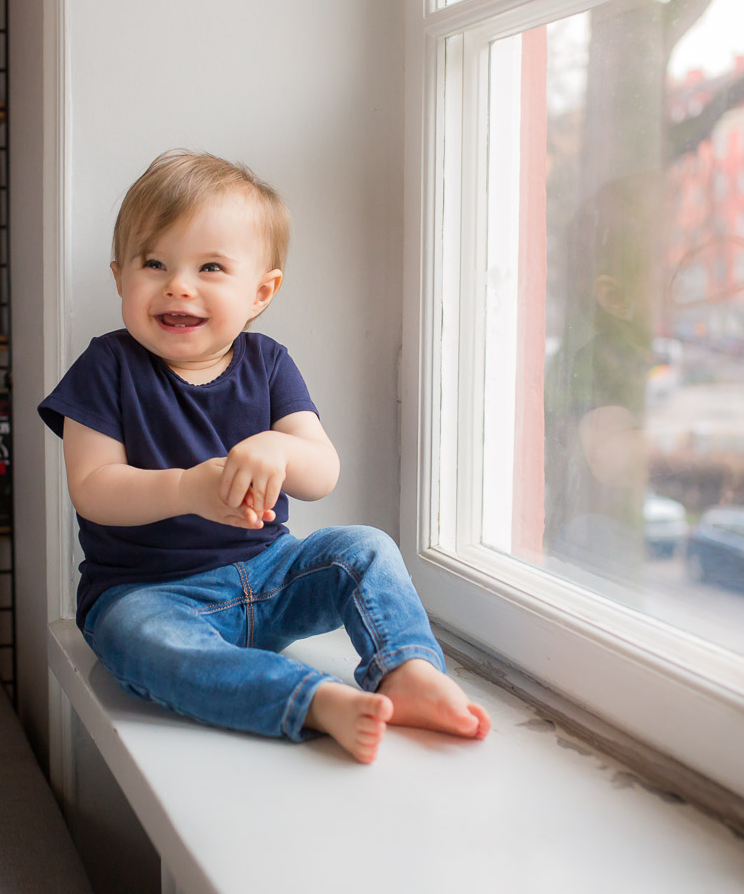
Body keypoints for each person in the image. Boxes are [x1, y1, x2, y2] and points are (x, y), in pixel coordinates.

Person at [37, 150, 490, 763]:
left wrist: (281, 445)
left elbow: (321, 473)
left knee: (366, 547)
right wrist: (186, 490)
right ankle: (310, 701)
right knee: (141, 641)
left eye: (211, 267)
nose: (178, 284)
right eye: (154, 263)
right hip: (150, 593)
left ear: (261, 291)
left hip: (273, 578)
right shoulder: (107, 366)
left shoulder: (268, 362)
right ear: (120, 277)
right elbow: (92, 487)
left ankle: (404, 668)